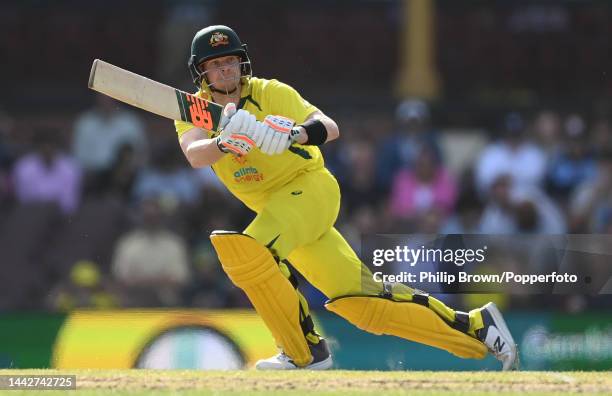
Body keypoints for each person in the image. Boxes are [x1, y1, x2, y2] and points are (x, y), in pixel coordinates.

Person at [174, 25, 518, 370]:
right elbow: (194, 154)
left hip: (309, 190)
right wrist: (222, 142)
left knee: (250, 253)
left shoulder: (269, 92)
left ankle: (303, 353)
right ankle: (477, 329)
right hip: (280, 214)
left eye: (231, 62)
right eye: (216, 65)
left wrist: (296, 133)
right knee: (364, 305)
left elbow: (329, 126)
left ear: (242, 62)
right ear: (201, 72)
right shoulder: (195, 110)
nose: (225, 70)